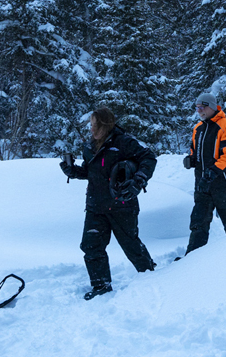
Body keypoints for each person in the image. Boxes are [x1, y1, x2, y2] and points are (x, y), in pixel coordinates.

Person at [60, 107, 157, 300]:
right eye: (91, 125)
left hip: (122, 204)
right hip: (95, 206)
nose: (91, 129)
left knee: (130, 245)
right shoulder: (90, 147)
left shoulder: (124, 142)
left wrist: (139, 181)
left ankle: (153, 277)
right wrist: (72, 171)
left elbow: (149, 158)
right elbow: (90, 172)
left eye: (95, 125)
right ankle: (101, 286)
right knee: (91, 246)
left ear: (106, 125)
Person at [182, 93, 226, 255]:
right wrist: (191, 159)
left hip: (224, 184)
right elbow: (195, 151)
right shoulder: (198, 128)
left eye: (202, 107)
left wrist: (212, 173)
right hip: (202, 185)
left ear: (212, 107)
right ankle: (192, 259)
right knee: (198, 223)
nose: (199, 111)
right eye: (197, 108)